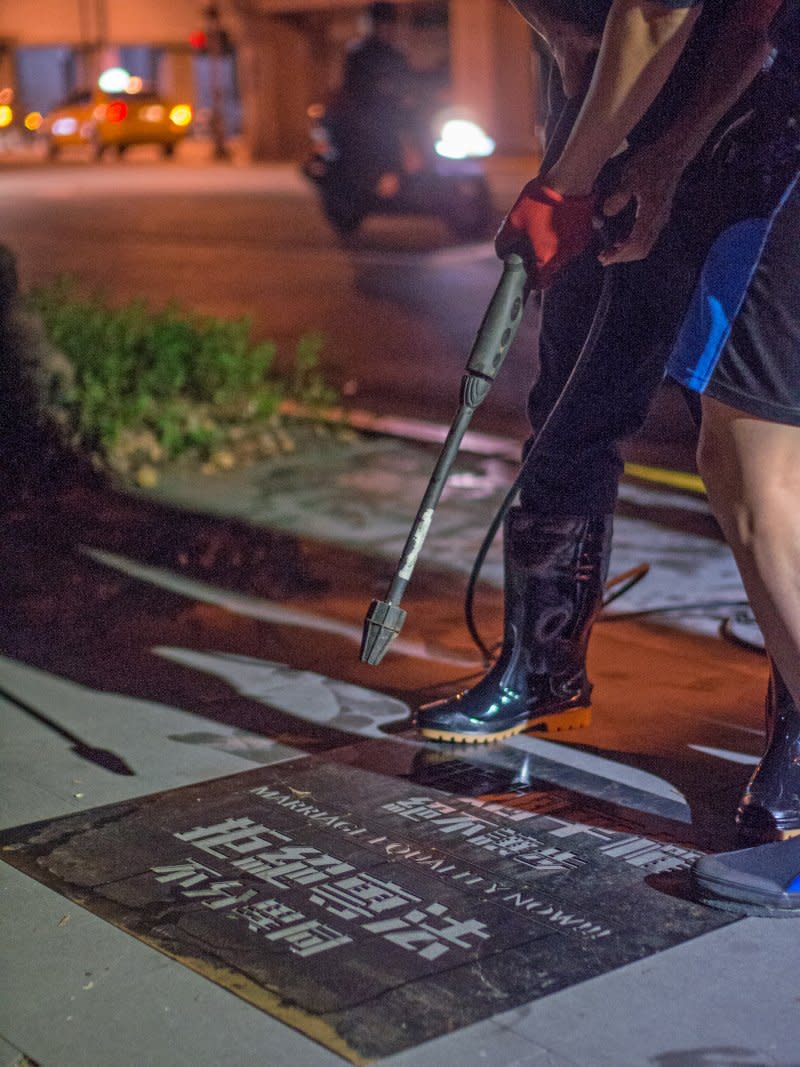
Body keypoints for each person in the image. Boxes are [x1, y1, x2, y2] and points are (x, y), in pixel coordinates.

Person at [415, 0, 800, 908]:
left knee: (760, 467)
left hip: (745, 160)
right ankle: (542, 661)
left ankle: (793, 731)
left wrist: (577, 177)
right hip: (644, 156)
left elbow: (694, 18)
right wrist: (590, 166)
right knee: (590, 410)